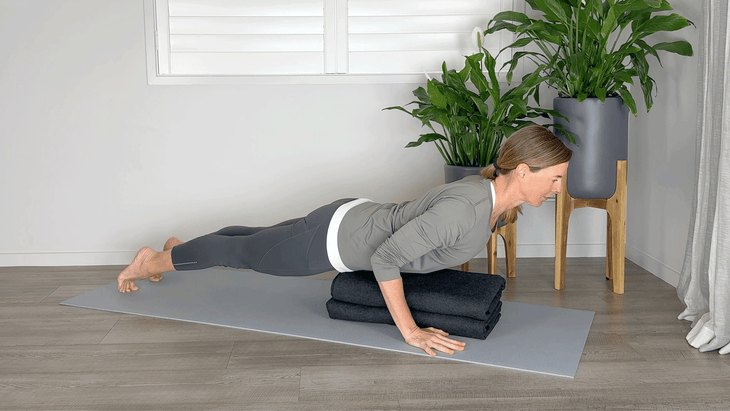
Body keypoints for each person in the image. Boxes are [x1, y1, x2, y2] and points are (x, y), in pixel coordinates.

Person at [116, 125, 572, 356]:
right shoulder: (467, 208)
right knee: (242, 254)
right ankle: (149, 263)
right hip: (336, 239)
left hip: (349, 215)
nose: (557, 190)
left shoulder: (490, 200)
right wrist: (410, 332)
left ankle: (178, 249)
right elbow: (388, 258)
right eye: (554, 180)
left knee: (253, 239)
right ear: (524, 171)